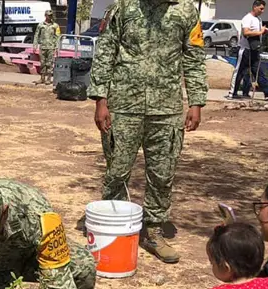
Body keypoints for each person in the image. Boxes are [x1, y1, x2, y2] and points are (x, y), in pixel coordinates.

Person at [89, 0, 208, 264]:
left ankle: (153, 231)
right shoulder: (123, 6)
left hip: (167, 108)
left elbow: (194, 58)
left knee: (162, 173)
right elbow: (105, 51)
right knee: (117, 171)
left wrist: (196, 102)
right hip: (123, 105)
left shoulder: (186, 11)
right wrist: (100, 100)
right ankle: (113, 227)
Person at [230, 0, 268, 100]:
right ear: (255, 7)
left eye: (263, 9)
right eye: (261, 8)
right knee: (239, 71)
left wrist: (263, 32)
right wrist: (260, 31)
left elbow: (257, 32)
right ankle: (232, 92)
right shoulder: (247, 18)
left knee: (258, 71)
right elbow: (246, 32)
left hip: (254, 50)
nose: (262, 11)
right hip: (245, 50)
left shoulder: (258, 19)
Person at [33, 10, 61, 85]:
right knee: (42, 63)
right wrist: (35, 45)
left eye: (51, 15)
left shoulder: (55, 25)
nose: (50, 17)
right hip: (43, 46)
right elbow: (36, 35)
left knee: (50, 63)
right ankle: (42, 78)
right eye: (48, 15)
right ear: (45, 15)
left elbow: (58, 37)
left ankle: (48, 78)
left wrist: (57, 47)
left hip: (51, 47)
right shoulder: (40, 25)